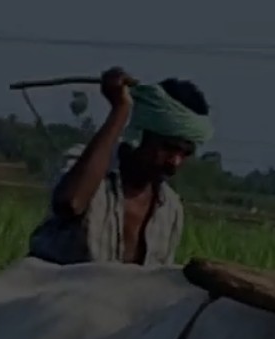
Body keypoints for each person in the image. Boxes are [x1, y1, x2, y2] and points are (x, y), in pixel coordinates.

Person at [28, 66, 213, 266]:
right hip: (48, 293)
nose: (175, 162)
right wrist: (120, 110)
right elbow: (70, 204)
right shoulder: (86, 169)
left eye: (185, 154)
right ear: (141, 133)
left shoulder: (169, 208)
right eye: (168, 148)